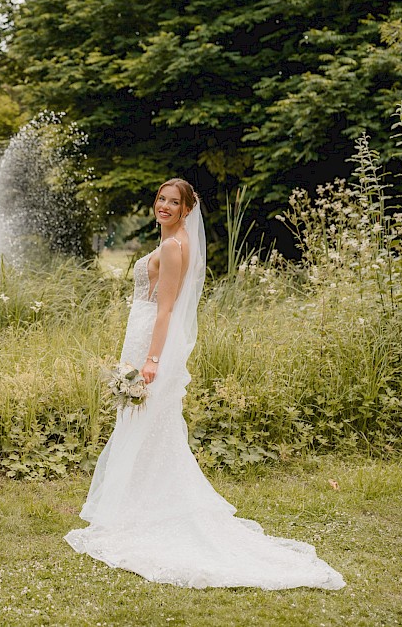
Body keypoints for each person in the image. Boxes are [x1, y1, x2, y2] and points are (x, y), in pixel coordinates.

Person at [65, 178, 345, 590]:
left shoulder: (174, 246)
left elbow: (167, 309)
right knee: (143, 427)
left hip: (151, 342)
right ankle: (133, 506)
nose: (164, 205)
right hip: (143, 334)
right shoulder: (173, 241)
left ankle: (144, 511)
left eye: (173, 202)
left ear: (185, 209)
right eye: (160, 198)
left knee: (147, 427)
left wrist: (152, 361)